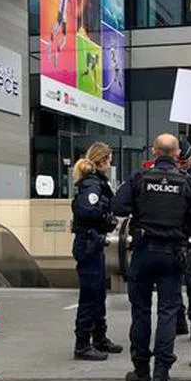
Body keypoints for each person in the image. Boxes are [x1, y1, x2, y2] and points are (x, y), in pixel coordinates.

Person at [112, 134, 191, 381]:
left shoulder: (138, 178)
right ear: (178, 152)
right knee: (168, 311)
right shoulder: (188, 181)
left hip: (144, 251)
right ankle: (161, 377)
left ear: (155, 152)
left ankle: (141, 372)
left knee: (141, 311)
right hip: (173, 254)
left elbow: (117, 206)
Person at [69, 142, 122, 361]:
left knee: (98, 292)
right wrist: (104, 211)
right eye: (108, 160)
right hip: (89, 243)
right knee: (90, 295)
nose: (110, 164)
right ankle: (83, 344)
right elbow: (87, 210)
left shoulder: (95, 182)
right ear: (101, 161)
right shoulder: (92, 184)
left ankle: (99, 338)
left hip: (93, 243)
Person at [174, 137, 191, 336]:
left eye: (184, 162)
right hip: (174, 235)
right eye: (178, 162)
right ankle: (178, 320)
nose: (181, 166)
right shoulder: (168, 176)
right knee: (173, 283)